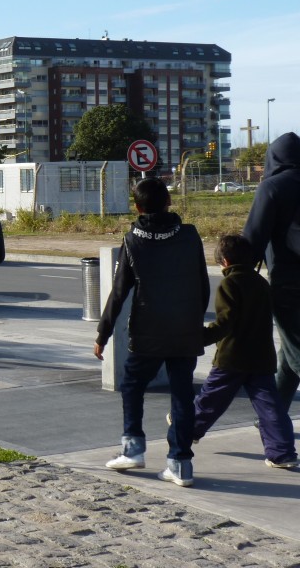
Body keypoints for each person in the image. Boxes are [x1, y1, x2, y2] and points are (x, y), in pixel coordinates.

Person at [94, 176, 209, 487]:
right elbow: (203, 285)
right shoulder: (189, 235)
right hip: (185, 329)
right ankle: (181, 464)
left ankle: (133, 449)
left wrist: (102, 335)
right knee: (183, 395)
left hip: (148, 330)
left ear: (137, 206)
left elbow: (119, 293)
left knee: (132, 384)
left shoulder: (133, 240)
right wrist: (192, 320)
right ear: (169, 202)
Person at [188, 235, 298, 468]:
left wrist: (199, 338)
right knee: (270, 407)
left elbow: (225, 322)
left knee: (211, 399)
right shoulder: (262, 283)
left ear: (225, 261)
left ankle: (187, 431)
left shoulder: (229, 283)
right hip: (262, 357)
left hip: (232, 356)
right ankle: (282, 453)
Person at [243, 131, 300, 419]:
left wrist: (237, 273)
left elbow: (254, 237)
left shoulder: (272, 187)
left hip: (288, 283)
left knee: (296, 351)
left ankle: (271, 424)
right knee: (289, 358)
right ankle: (270, 419)